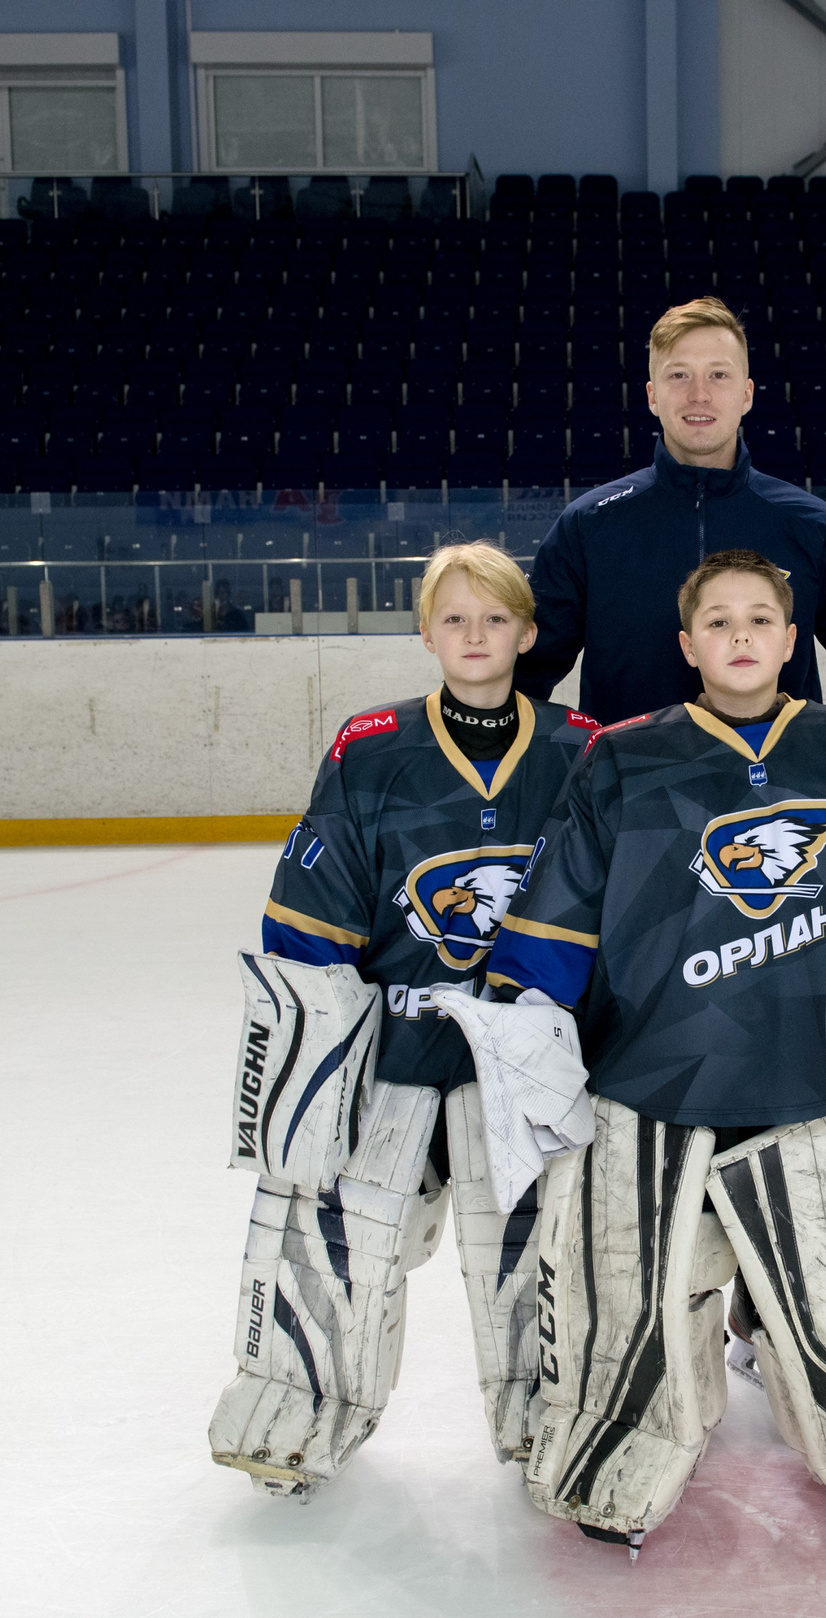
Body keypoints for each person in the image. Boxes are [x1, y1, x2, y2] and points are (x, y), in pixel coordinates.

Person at [442, 548, 826, 1555]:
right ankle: (616, 1455)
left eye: (760, 620)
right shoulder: (623, 756)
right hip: (649, 1087)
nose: (740, 636)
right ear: (687, 644)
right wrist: (527, 1009)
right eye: (718, 622)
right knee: (631, 1308)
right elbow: (561, 909)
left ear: (790, 640)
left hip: (802, 1086)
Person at [208, 541, 598, 1498]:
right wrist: (313, 1046)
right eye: (455, 618)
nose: (475, 635)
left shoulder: (582, 748)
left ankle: (545, 1414)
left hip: (522, 1060)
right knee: (334, 1235)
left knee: (530, 1246)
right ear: (426, 632)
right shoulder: (372, 745)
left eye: (495, 618)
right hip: (392, 1050)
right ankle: (299, 1406)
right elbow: (315, 901)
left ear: (529, 633)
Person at [516, 297, 826, 725]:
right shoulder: (589, 525)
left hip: (777, 768)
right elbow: (521, 666)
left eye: (718, 375)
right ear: (653, 396)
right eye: (678, 375)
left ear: (746, 394)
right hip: (629, 767)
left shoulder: (812, 525)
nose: (699, 394)